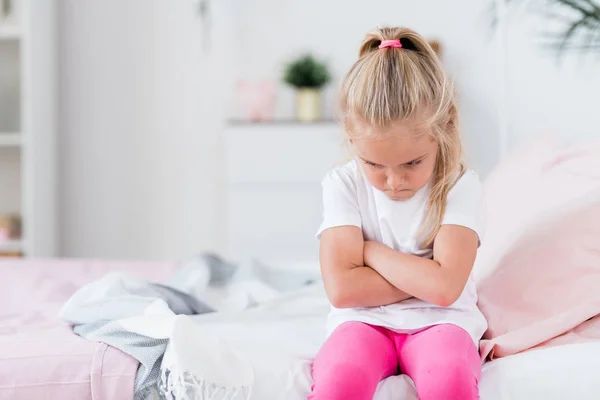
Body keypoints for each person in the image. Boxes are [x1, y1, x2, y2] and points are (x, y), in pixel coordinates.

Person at [309, 26, 486, 400]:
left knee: (449, 379)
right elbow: (342, 290)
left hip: (444, 322)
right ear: (351, 138)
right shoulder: (342, 184)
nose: (393, 182)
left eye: (412, 162)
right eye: (374, 164)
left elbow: (444, 290)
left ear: (445, 127)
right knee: (339, 379)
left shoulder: (459, 185)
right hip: (362, 321)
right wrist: (424, 275)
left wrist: (370, 254)